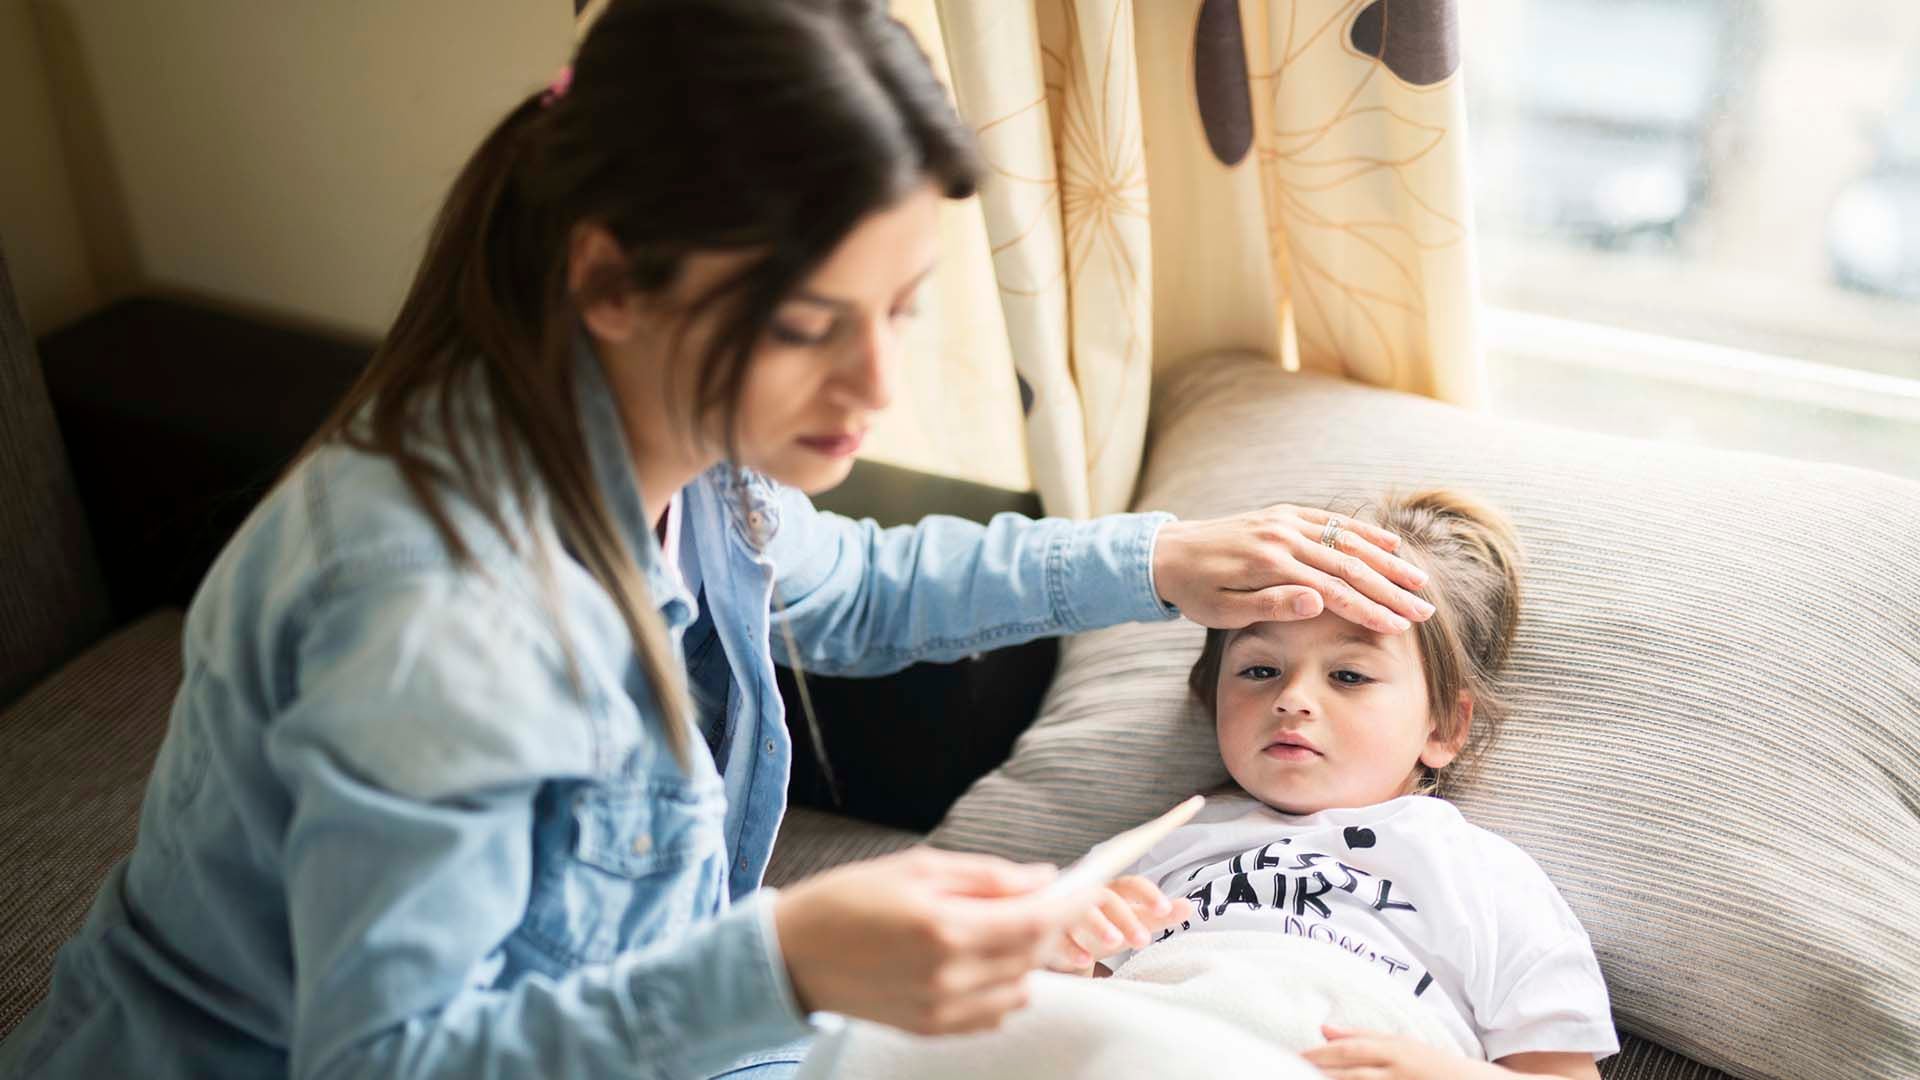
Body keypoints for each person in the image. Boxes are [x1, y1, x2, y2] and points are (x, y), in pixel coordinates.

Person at [0, 2, 1433, 1077]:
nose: (873, 390)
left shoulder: (685, 467)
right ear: (612, 280)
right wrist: (785, 959)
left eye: (902, 310)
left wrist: (1155, 559)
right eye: (813, 327)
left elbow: (861, 589)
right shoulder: (435, 611)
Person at [1051, 491, 1617, 1080]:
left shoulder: (1489, 878)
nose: (1292, 698)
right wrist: (1066, 958)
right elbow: (1048, 1013)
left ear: (1445, 725)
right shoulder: (1161, 845)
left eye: (1349, 676)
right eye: (1259, 670)